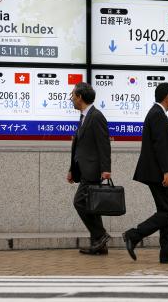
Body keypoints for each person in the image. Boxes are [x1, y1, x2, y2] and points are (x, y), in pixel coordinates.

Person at [123, 82, 168, 264]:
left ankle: (167, 253)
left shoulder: (156, 113)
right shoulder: (158, 115)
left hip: (158, 173)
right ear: (167, 97)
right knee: (167, 213)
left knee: (166, 212)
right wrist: (167, 172)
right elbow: (160, 146)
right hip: (160, 174)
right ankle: (133, 235)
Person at [67, 82, 111, 255]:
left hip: (93, 170)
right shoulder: (84, 116)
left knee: (79, 202)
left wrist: (106, 169)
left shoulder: (96, 116)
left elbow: (104, 144)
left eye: (72, 95)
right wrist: (72, 169)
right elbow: (79, 147)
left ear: (80, 97)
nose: (71, 99)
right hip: (84, 169)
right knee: (92, 206)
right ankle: (99, 246)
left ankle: (101, 235)